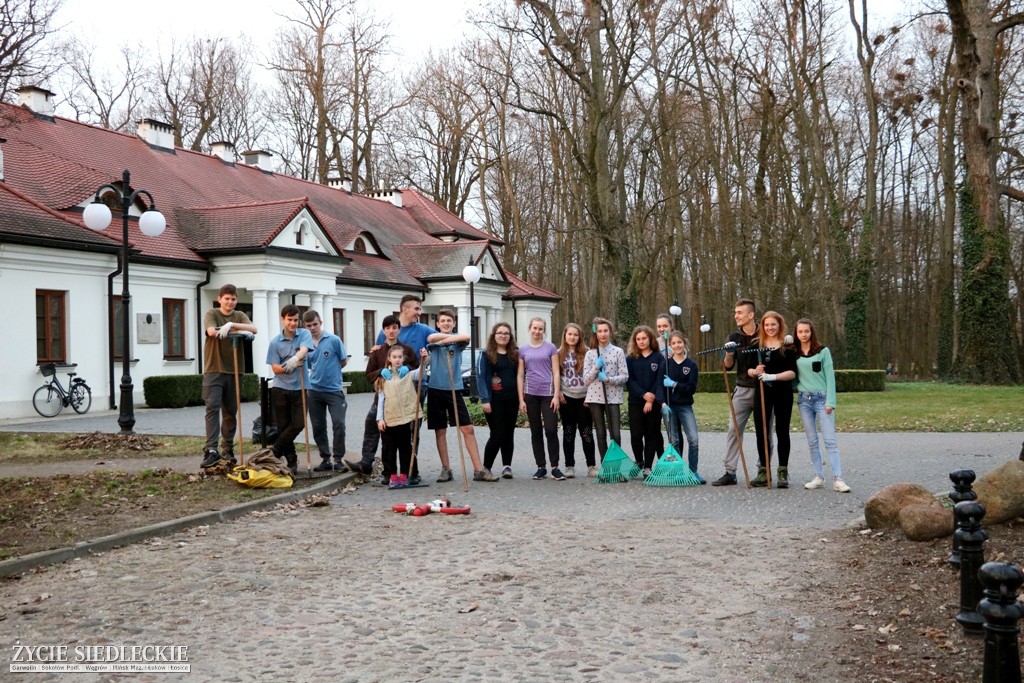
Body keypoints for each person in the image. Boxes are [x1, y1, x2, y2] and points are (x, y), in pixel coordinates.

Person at [347, 315, 420, 480]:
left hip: (403, 402)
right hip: (382, 400)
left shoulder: (407, 350)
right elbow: (369, 375)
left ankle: (410, 472)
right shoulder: (378, 352)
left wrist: (407, 368)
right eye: (388, 328)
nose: (391, 331)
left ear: (399, 329)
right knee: (379, 432)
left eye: (394, 328)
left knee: (406, 440)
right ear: (384, 330)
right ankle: (373, 466)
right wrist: (380, 371)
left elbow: (417, 368)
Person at [427, 309, 496, 482]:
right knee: (440, 430)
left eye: (449, 321)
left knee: (467, 428)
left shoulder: (458, 344)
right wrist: (443, 339)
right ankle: (446, 469)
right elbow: (431, 339)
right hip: (436, 389)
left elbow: (466, 337)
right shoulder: (432, 341)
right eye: (442, 321)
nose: (446, 323)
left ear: (454, 323)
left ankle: (479, 469)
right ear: (437, 324)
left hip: (453, 389)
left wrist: (445, 339)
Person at [711, 298, 767, 487]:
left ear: (751, 315)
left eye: (739, 313)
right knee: (733, 430)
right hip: (742, 389)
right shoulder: (733, 337)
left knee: (764, 431)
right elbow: (728, 365)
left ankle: (763, 470)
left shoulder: (765, 332)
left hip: (764, 389)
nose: (736, 316)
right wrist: (728, 353)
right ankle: (730, 472)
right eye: (735, 313)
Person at [200, 284, 257, 469]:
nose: (230, 302)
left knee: (230, 411)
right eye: (226, 299)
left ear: (236, 300)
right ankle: (211, 450)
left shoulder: (238, 315)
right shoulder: (212, 313)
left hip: (234, 370)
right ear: (220, 299)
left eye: (233, 299)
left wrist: (232, 325)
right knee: (212, 407)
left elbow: (253, 328)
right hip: (214, 368)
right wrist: (239, 332)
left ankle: (227, 448)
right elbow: (211, 332)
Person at [795, 319, 851, 493]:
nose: (804, 334)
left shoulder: (822, 351)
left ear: (812, 332)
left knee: (830, 441)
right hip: (804, 400)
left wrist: (830, 402)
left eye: (806, 331)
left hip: (822, 399)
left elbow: (830, 377)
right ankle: (818, 476)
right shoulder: (794, 353)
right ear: (796, 334)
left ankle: (838, 478)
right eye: (800, 332)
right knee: (812, 441)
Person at [748, 311, 797, 488]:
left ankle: (782, 471)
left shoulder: (788, 346)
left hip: (782, 392)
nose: (769, 328)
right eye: (766, 325)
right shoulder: (756, 345)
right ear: (762, 326)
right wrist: (755, 372)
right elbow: (749, 370)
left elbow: (793, 372)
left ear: (780, 325)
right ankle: (764, 470)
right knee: (761, 431)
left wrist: (773, 377)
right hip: (762, 393)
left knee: (782, 431)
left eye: (773, 325)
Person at [265, 304, 314, 474]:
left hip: (300, 387)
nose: (293, 323)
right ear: (282, 320)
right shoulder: (275, 343)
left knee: (298, 424)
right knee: (283, 426)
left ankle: (275, 451)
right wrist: (290, 365)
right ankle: (291, 460)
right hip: (280, 388)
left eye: (295, 320)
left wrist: (296, 357)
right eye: (289, 320)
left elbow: (305, 350)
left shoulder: (304, 334)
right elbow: (276, 369)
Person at [301, 310, 348, 473]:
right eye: (309, 326)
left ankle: (338, 459)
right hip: (314, 391)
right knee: (318, 426)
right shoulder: (305, 345)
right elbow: (307, 367)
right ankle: (325, 459)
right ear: (305, 327)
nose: (313, 328)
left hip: (334, 390)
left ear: (320, 322)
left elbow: (343, 361)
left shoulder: (333, 340)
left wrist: (332, 373)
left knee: (339, 424)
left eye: (315, 324)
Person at [518, 317, 563, 480]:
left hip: (548, 394)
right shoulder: (523, 350)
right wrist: (521, 399)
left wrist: (556, 394)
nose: (537, 331)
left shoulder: (550, 348)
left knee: (551, 430)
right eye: (534, 328)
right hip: (530, 395)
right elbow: (520, 374)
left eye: (540, 329)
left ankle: (555, 466)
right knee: (535, 430)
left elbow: (556, 372)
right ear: (530, 329)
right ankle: (541, 466)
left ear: (544, 331)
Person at [375, 345, 426, 486]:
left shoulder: (407, 374)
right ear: (389, 359)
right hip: (389, 418)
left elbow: (421, 373)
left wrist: (424, 359)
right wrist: (380, 419)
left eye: (400, 357)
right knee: (389, 450)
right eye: (394, 357)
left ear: (404, 358)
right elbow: (381, 399)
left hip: (404, 418)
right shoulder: (383, 377)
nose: (397, 360)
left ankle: (409, 474)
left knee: (406, 448)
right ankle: (390, 475)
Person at [583, 317, 628, 463]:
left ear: (610, 332)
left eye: (606, 331)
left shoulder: (618, 352)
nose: (603, 334)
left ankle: (617, 465)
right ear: (596, 334)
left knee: (615, 434)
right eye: (600, 331)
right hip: (595, 398)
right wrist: (596, 367)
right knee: (600, 433)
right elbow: (586, 380)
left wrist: (609, 379)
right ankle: (605, 465)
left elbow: (624, 376)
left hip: (613, 397)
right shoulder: (590, 354)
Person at [478, 322, 519, 479]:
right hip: (494, 401)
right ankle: (486, 467)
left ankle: (507, 466)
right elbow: (481, 378)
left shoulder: (515, 354)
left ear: (510, 336)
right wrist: (484, 399)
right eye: (500, 333)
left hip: (512, 400)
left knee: (509, 433)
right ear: (494, 335)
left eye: (506, 333)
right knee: (497, 434)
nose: (503, 335)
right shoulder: (486, 354)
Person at [662, 331, 703, 482]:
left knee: (693, 439)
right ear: (670, 346)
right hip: (670, 406)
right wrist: (663, 403)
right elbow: (660, 387)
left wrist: (674, 384)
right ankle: (677, 470)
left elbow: (691, 388)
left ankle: (693, 472)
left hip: (685, 406)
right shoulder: (666, 364)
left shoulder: (691, 365)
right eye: (673, 343)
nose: (677, 345)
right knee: (674, 440)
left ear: (684, 343)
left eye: (679, 342)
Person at [625, 325, 665, 475]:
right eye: (638, 339)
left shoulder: (658, 358)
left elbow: (659, 380)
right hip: (636, 402)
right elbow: (630, 381)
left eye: (644, 338)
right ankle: (639, 460)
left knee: (651, 434)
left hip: (653, 403)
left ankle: (648, 466)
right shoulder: (631, 359)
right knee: (636, 434)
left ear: (650, 339)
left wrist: (650, 399)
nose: (641, 341)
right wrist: (643, 395)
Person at [558, 322, 595, 478]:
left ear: (580, 337)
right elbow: (554, 374)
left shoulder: (588, 353)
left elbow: (593, 377)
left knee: (586, 433)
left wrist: (591, 395)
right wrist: (558, 392)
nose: (572, 337)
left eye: (575, 334)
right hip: (566, 398)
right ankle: (569, 465)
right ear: (565, 336)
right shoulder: (558, 353)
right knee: (568, 432)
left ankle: (591, 465)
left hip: (584, 398)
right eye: (570, 334)